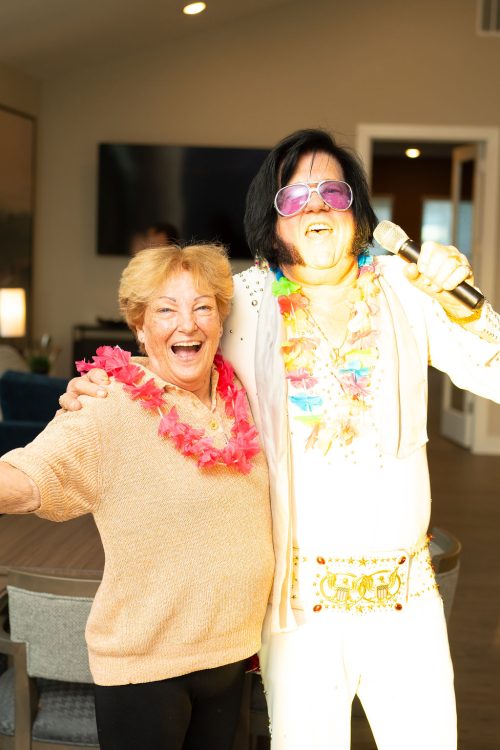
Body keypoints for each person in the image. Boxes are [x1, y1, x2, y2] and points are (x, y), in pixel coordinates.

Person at [60, 129, 500, 750]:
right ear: (271, 219)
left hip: (408, 601)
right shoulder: (245, 302)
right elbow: (178, 361)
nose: (316, 205)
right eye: (295, 197)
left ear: (358, 210)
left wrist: (463, 304)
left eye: (333, 192)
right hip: (298, 608)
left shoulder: (407, 290)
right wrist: (103, 387)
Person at [0, 243, 274, 750]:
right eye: (166, 310)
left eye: (202, 306)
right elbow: (27, 477)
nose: (186, 324)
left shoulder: (245, 395)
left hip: (232, 653)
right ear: (140, 327)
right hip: (148, 670)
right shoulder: (108, 404)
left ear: (221, 319)